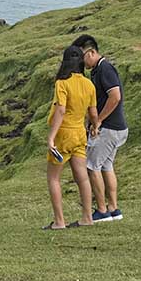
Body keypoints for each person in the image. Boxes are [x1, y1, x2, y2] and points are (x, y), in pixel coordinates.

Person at [72, 34, 128, 223]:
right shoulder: (97, 70)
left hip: (110, 127)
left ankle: (102, 210)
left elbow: (115, 96)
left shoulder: (105, 68)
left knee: (91, 165)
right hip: (115, 127)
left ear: (92, 52)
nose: (81, 61)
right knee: (106, 165)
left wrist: (99, 121)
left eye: (82, 56)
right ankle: (113, 208)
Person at [44, 45, 99, 230]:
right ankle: (87, 218)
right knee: (82, 178)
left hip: (64, 134)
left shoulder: (62, 83)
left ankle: (59, 221)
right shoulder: (88, 84)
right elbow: (92, 111)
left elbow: (60, 109)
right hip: (79, 133)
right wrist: (95, 126)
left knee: (53, 178)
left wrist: (51, 137)